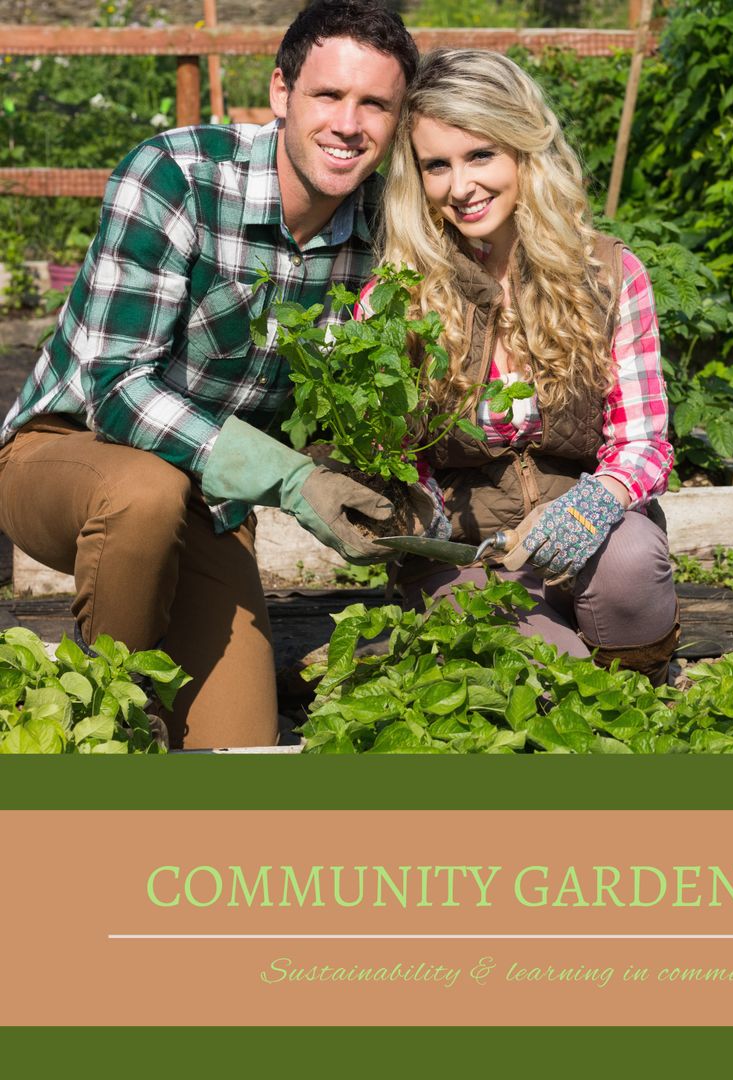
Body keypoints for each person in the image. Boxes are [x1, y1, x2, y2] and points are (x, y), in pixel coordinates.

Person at [0, 0, 430, 749]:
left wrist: (387, 486)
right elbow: (116, 390)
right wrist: (296, 481)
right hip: (62, 453)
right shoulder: (179, 174)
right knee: (142, 492)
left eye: (376, 104)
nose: (348, 124)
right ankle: (103, 723)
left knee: (241, 750)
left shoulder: (384, 227)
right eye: (328, 95)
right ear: (281, 95)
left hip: (214, 503)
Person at [374, 48, 680, 685]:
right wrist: (422, 514)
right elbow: (393, 457)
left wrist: (593, 503)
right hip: (467, 554)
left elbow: (643, 442)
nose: (461, 187)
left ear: (523, 149)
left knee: (628, 568)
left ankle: (642, 679)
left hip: (587, 531)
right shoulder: (395, 297)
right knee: (547, 679)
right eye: (437, 166)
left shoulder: (607, 275)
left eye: (480, 154)